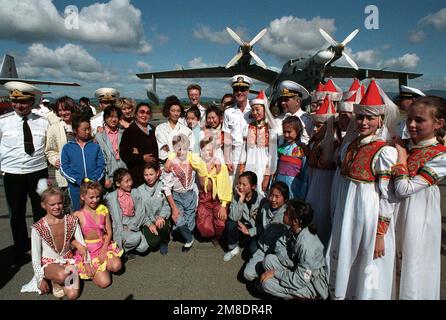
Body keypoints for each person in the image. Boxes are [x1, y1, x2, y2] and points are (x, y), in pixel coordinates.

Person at [326, 79, 399, 300]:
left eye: (370, 117)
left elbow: (388, 197)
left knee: (367, 260)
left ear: (381, 120)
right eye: (360, 117)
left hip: (368, 214)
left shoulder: (385, 152)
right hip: (348, 209)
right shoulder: (350, 145)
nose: (363, 122)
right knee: (347, 253)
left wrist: (379, 234)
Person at [393, 96, 446, 300]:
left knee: (414, 265)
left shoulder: (440, 155)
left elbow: (404, 188)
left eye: (420, 120)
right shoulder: (407, 146)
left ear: (439, 124)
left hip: (418, 217)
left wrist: (400, 158)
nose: (412, 125)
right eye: (410, 119)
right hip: (398, 215)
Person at [0, 81, 49, 266]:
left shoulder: (43, 122)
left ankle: (43, 245)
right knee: (17, 213)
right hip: (13, 174)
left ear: (31, 102)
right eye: (15, 101)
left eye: (24, 102)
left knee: (41, 210)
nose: (19, 105)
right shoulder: (3, 123)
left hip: (38, 172)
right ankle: (20, 249)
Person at [21, 185, 88, 299]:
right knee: (63, 275)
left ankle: (60, 279)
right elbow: (36, 257)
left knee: (72, 295)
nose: (57, 207)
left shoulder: (72, 220)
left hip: (68, 261)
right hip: (49, 263)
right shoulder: (38, 227)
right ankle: (54, 280)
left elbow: (82, 243)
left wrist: (88, 262)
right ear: (44, 205)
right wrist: (40, 279)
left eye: (59, 203)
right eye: (52, 204)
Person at [260, 199, 329, 300]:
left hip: (312, 283)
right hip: (297, 269)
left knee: (267, 284)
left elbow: (301, 279)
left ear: (295, 221)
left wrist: (276, 273)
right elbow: (279, 245)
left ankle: (305, 297)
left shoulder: (306, 245)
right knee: (268, 260)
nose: (284, 213)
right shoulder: (294, 229)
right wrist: (290, 263)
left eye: (287, 213)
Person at [73, 180, 123, 288]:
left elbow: (109, 232)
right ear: (82, 197)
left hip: (103, 244)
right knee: (105, 283)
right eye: (91, 197)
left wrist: (104, 249)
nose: (95, 200)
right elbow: (71, 238)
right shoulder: (77, 215)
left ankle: (102, 267)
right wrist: (85, 259)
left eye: (97, 197)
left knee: (117, 266)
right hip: (88, 250)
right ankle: (96, 271)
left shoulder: (103, 210)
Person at [305, 95, 339, 248]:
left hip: (325, 185)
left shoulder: (333, 144)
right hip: (314, 182)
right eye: (314, 125)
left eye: (319, 126)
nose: (315, 129)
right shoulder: (315, 141)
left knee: (322, 214)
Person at [243, 182, 289, 282]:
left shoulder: (287, 214)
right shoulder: (265, 207)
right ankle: (264, 275)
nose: (273, 199)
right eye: (271, 195)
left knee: (269, 279)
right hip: (263, 249)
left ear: (285, 198)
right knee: (247, 274)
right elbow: (262, 227)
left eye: (277, 196)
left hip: (277, 254)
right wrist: (249, 231)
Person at [191, 137, 232, 244]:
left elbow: (226, 187)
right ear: (201, 151)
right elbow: (184, 155)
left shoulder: (220, 167)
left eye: (209, 150)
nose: (207, 152)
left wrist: (223, 205)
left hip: (218, 198)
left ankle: (217, 237)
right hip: (205, 198)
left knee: (221, 223)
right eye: (204, 150)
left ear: (214, 150)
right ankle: (209, 231)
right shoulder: (198, 163)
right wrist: (170, 159)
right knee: (204, 230)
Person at [60, 114, 105, 211]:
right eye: (84, 130)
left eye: (89, 129)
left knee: (96, 214)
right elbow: (64, 168)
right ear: (75, 130)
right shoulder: (67, 147)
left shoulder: (95, 146)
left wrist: (94, 179)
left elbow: (101, 165)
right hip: (76, 189)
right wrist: (78, 180)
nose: (88, 132)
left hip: (94, 188)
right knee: (78, 214)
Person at [162, 134, 197, 251]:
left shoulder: (192, 158)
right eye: (178, 148)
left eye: (184, 148)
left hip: (190, 195)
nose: (182, 151)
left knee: (190, 226)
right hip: (177, 196)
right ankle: (189, 239)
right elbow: (166, 187)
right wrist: (173, 207)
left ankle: (183, 232)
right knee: (179, 220)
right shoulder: (170, 163)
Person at [45, 96, 79, 214]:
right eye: (60, 110)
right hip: (64, 176)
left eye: (66, 109)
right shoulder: (54, 128)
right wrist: (55, 160)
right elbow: (50, 150)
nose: (63, 113)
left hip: (82, 174)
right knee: (66, 209)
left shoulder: (80, 125)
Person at [105, 168, 149, 255]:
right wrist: (122, 227)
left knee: (144, 247)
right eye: (127, 181)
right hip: (121, 226)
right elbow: (113, 219)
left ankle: (127, 246)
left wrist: (132, 226)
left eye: (131, 180)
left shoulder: (135, 192)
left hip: (134, 223)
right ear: (118, 183)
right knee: (136, 239)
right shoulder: (111, 197)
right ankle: (121, 249)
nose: (130, 183)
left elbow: (141, 213)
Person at [242, 91, 278, 197]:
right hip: (249, 167)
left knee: (262, 195)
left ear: (265, 109)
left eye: (257, 109)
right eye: (253, 109)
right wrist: (241, 170)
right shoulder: (248, 127)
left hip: (263, 169)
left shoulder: (271, 130)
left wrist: (267, 177)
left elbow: (273, 156)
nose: (254, 112)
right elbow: (244, 152)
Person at [224, 171, 264, 262]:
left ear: (253, 186)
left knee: (252, 252)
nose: (240, 187)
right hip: (241, 228)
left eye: (244, 185)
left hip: (254, 232)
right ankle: (233, 248)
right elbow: (233, 217)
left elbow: (264, 225)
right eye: (239, 183)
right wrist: (241, 199)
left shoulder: (262, 201)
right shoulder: (237, 196)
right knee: (230, 223)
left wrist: (249, 231)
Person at [120, 102, 159, 188]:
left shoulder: (154, 130)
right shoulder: (129, 132)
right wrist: (142, 158)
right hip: (138, 177)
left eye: (148, 113)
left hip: (154, 176)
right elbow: (124, 155)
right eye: (142, 112)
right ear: (136, 114)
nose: (144, 115)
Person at [222, 75, 253, 182]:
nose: (239, 92)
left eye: (243, 89)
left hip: (251, 154)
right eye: (236, 90)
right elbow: (227, 138)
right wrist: (227, 159)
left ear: (248, 91)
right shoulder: (228, 112)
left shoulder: (255, 110)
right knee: (232, 187)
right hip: (235, 154)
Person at [137, 163, 171, 255]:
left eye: (151, 174)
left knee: (163, 226)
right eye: (146, 175)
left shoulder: (163, 185)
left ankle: (164, 242)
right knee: (153, 243)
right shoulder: (139, 190)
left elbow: (167, 204)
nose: (148, 177)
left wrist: (161, 216)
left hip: (160, 218)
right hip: (148, 221)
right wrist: (149, 224)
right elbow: (140, 211)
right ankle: (153, 235)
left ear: (157, 173)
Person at [273, 116, 308, 200]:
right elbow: (276, 169)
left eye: (289, 132)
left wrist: (302, 193)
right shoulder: (281, 148)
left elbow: (305, 173)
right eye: (284, 132)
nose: (286, 135)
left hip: (294, 187)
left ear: (298, 131)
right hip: (279, 184)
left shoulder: (302, 150)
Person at [95, 106, 127, 190]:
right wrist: (105, 177)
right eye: (110, 116)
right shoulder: (99, 136)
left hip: (124, 171)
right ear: (105, 118)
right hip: (109, 173)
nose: (113, 120)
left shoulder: (123, 132)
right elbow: (100, 158)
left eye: (116, 117)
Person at [155, 95, 194, 163]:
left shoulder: (187, 130)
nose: (176, 114)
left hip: (183, 163)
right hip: (165, 164)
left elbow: (190, 149)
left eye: (178, 111)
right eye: (173, 111)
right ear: (168, 111)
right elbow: (162, 150)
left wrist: (171, 151)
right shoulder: (160, 128)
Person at [275, 80, 313, 145]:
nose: (282, 103)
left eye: (286, 100)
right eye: (282, 100)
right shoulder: (277, 120)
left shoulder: (308, 121)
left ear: (297, 102)